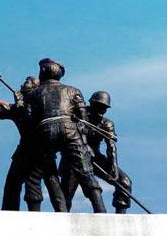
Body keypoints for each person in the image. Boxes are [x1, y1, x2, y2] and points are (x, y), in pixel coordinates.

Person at [23, 58, 106, 213]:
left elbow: (29, 121)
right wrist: (82, 140)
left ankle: (40, 212)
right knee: (85, 171)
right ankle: (100, 209)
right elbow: (83, 119)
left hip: (44, 132)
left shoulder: (32, 95)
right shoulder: (74, 90)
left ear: (42, 73)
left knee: (40, 173)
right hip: (70, 131)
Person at [0, 69, 66, 212]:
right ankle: (10, 214)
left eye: (28, 82)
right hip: (24, 150)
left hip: (41, 149)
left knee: (50, 182)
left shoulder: (41, 106)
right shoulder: (17, 108)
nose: (23, 84)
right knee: (12, 185)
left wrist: (22, 104)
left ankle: (62, 213)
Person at [61, 91, 133, 214]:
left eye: (104, 108)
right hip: (74, 159)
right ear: (91, 104)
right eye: (99, 106)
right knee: (66, 195)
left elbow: (111, 146)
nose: (102, 110)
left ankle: (121, 218)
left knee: (124, 182)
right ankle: (61, 219)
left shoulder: (106, 123)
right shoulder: (77, 117)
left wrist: (113, 167)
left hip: (96, 159)